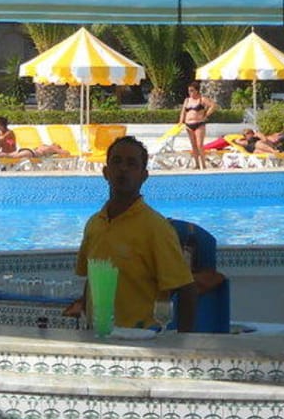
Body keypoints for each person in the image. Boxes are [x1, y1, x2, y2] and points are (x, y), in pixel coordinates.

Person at [64, 136, 197, 331]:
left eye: (131, 163)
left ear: (144, 176)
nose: (123, 169)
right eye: (117, 161)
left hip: (141, 340)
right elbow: (91, 279)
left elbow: (186, 289)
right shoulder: (94, 224)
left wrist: (183, 342)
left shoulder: (156, 228)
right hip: (98, 336)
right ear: (106, 172)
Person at [179, 81, 217, 170]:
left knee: (199, 145)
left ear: (197, 91)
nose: (190, 92)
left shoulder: (202, 99)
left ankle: (203, 164)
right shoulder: (187, 100)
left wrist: (206, 115)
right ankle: (196, 164)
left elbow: (213, 106)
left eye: (192, 90)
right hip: (188, 124)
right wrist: (180, 121)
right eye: (189, 91)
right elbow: (183, 112)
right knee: (193, 145)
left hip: (199, 124)